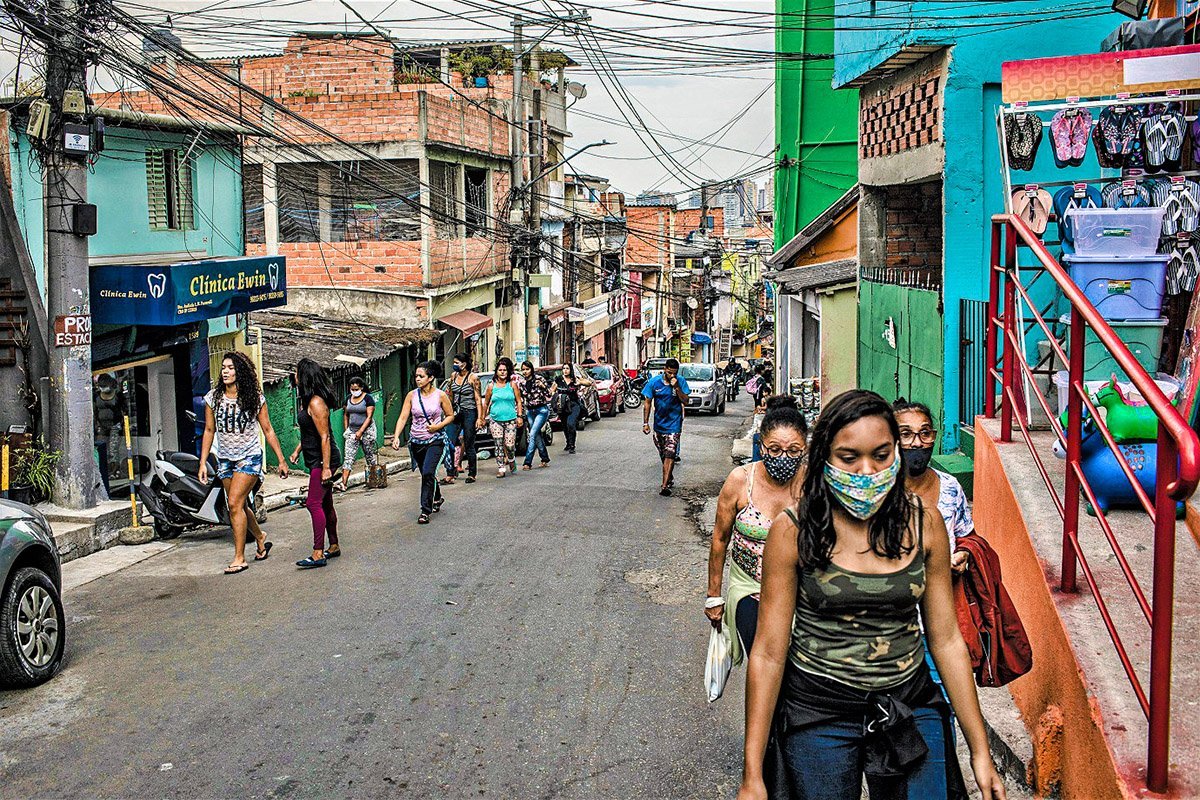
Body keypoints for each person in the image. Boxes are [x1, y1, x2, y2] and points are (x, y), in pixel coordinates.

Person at [736, 390, 1007, 800]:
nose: (867, 470)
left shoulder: (925, 524)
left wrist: (980, 751)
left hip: (909, 701)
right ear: (824, 457)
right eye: (849, 458)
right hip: (819, 710)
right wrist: (752, 773)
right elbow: (769, 652)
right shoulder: (793, 531)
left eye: (881, 455)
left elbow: (947, 639)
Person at [707, 395, 808, 666]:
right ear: (761, 445)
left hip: (804, 597)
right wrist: (713, 596)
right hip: (750, 592)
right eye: (774, 450)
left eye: (793, 451)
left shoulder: (814, 486)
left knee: (798, 679)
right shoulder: (740, 482)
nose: (783, 457)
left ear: (805, 449)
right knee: (764, 666)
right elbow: (719, 539)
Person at [198, 352, 289, 575]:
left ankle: (240, 557)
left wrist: (281, 460)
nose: (226, 372)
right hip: (225, 458)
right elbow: (209, 430)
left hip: (248, 457)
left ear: (240, 371)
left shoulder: (254, 398)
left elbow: (267, 429)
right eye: (223, 368)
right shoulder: (213, 398)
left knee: (234, 504)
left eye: (230, 368)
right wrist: (202, 462)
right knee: (238, 505)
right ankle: (260, 537)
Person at [289, 359, 342, 569]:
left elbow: (325, 436)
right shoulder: (307, 400)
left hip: (323, 460)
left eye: (296, 372)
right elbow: (310, 433)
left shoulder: (316, 403)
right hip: (316, 459)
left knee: (313, 503)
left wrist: (326, 468)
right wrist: (297, 451)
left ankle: (318, 553)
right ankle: (334, 545)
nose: (293, 376)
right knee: (326, 503)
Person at [390, 361, 454, 524]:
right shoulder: (412, 395)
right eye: (416, 376)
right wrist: (396, 436)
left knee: (427, 472)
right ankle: (437, 497)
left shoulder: (440, 395)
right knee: (427, 474)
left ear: (431, 378)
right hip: (416, 441)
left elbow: (450, 415)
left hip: (435, 440)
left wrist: (437, 426)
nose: (417, 379)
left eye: (421, 376)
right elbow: (403, 416)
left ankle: (425, 510)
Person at [641, 357, 690, 497]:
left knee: (670, 453)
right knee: (664, 455)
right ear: (665, 370)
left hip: (674, 423)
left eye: (674, 373)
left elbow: (686, 400)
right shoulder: (654, 382)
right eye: (669, 373)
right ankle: (669, 476)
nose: (671, 375)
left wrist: (676, 387)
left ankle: (664, 485)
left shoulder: (680, 381)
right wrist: (645, 423)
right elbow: (648, 403)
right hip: (659, 424)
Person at [443, 353, 483, 484]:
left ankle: (472, 473)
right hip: (456, 412)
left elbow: (477, 399)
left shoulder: (473, 378)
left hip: (469, 412)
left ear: (464, 364)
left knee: (469, 442)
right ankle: (450, 472)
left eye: (456, 362)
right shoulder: (453, 376)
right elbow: (450, 395)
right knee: (449, 441)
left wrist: (480, 418)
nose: (454, 365)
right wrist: (448, 412)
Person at [481, 357, 523, 478]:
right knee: (498, 444)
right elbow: (486, 403)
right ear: (496, 372)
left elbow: (519, 401)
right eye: (500, 370)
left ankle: (511, 459)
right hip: (495, 420)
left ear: (508, 371)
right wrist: (483, 418)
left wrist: (519, 416)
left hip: (511, 419)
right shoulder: (491, 386)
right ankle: (501, 468)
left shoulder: (512, 385)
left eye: (505, 370)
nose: (503, 372)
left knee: (509, 446)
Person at [339, 376, 378, 490]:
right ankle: (343, 483)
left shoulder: (368, 399)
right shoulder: (348, 399)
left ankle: (374, 479)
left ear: (361, 388)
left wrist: (361, 432)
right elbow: (346, 415)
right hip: (352, 431)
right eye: (352, 389)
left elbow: (369, 417)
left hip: (367, 430)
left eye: (356, 389)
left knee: (369, 456)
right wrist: (347, 430)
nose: (354, 391)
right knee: (349, 458)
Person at [519, 360, 553, 470]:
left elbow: (549, 394)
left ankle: (527, 462)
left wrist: (543, 386)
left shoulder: (539, 379)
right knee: (536, 435)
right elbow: (520, 399)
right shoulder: (522, 383)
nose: (525, 372)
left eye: (527, 369)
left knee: (532, 434)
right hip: (530, 411)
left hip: (541, 410)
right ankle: (545, 458)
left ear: (531, 369)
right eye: (523, 370)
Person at [555, 363, 591, 455]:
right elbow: (552, 390)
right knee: (564, 425)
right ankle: (568, 442)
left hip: (574, 405)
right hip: (562, 406)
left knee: (570, 423)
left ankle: (572, 445)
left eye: (567, 368)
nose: (565, 370)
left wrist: (580, 382)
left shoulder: (575, 379)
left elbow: (589, 383)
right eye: (564, 368)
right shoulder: (559, 379)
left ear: (571, 369)